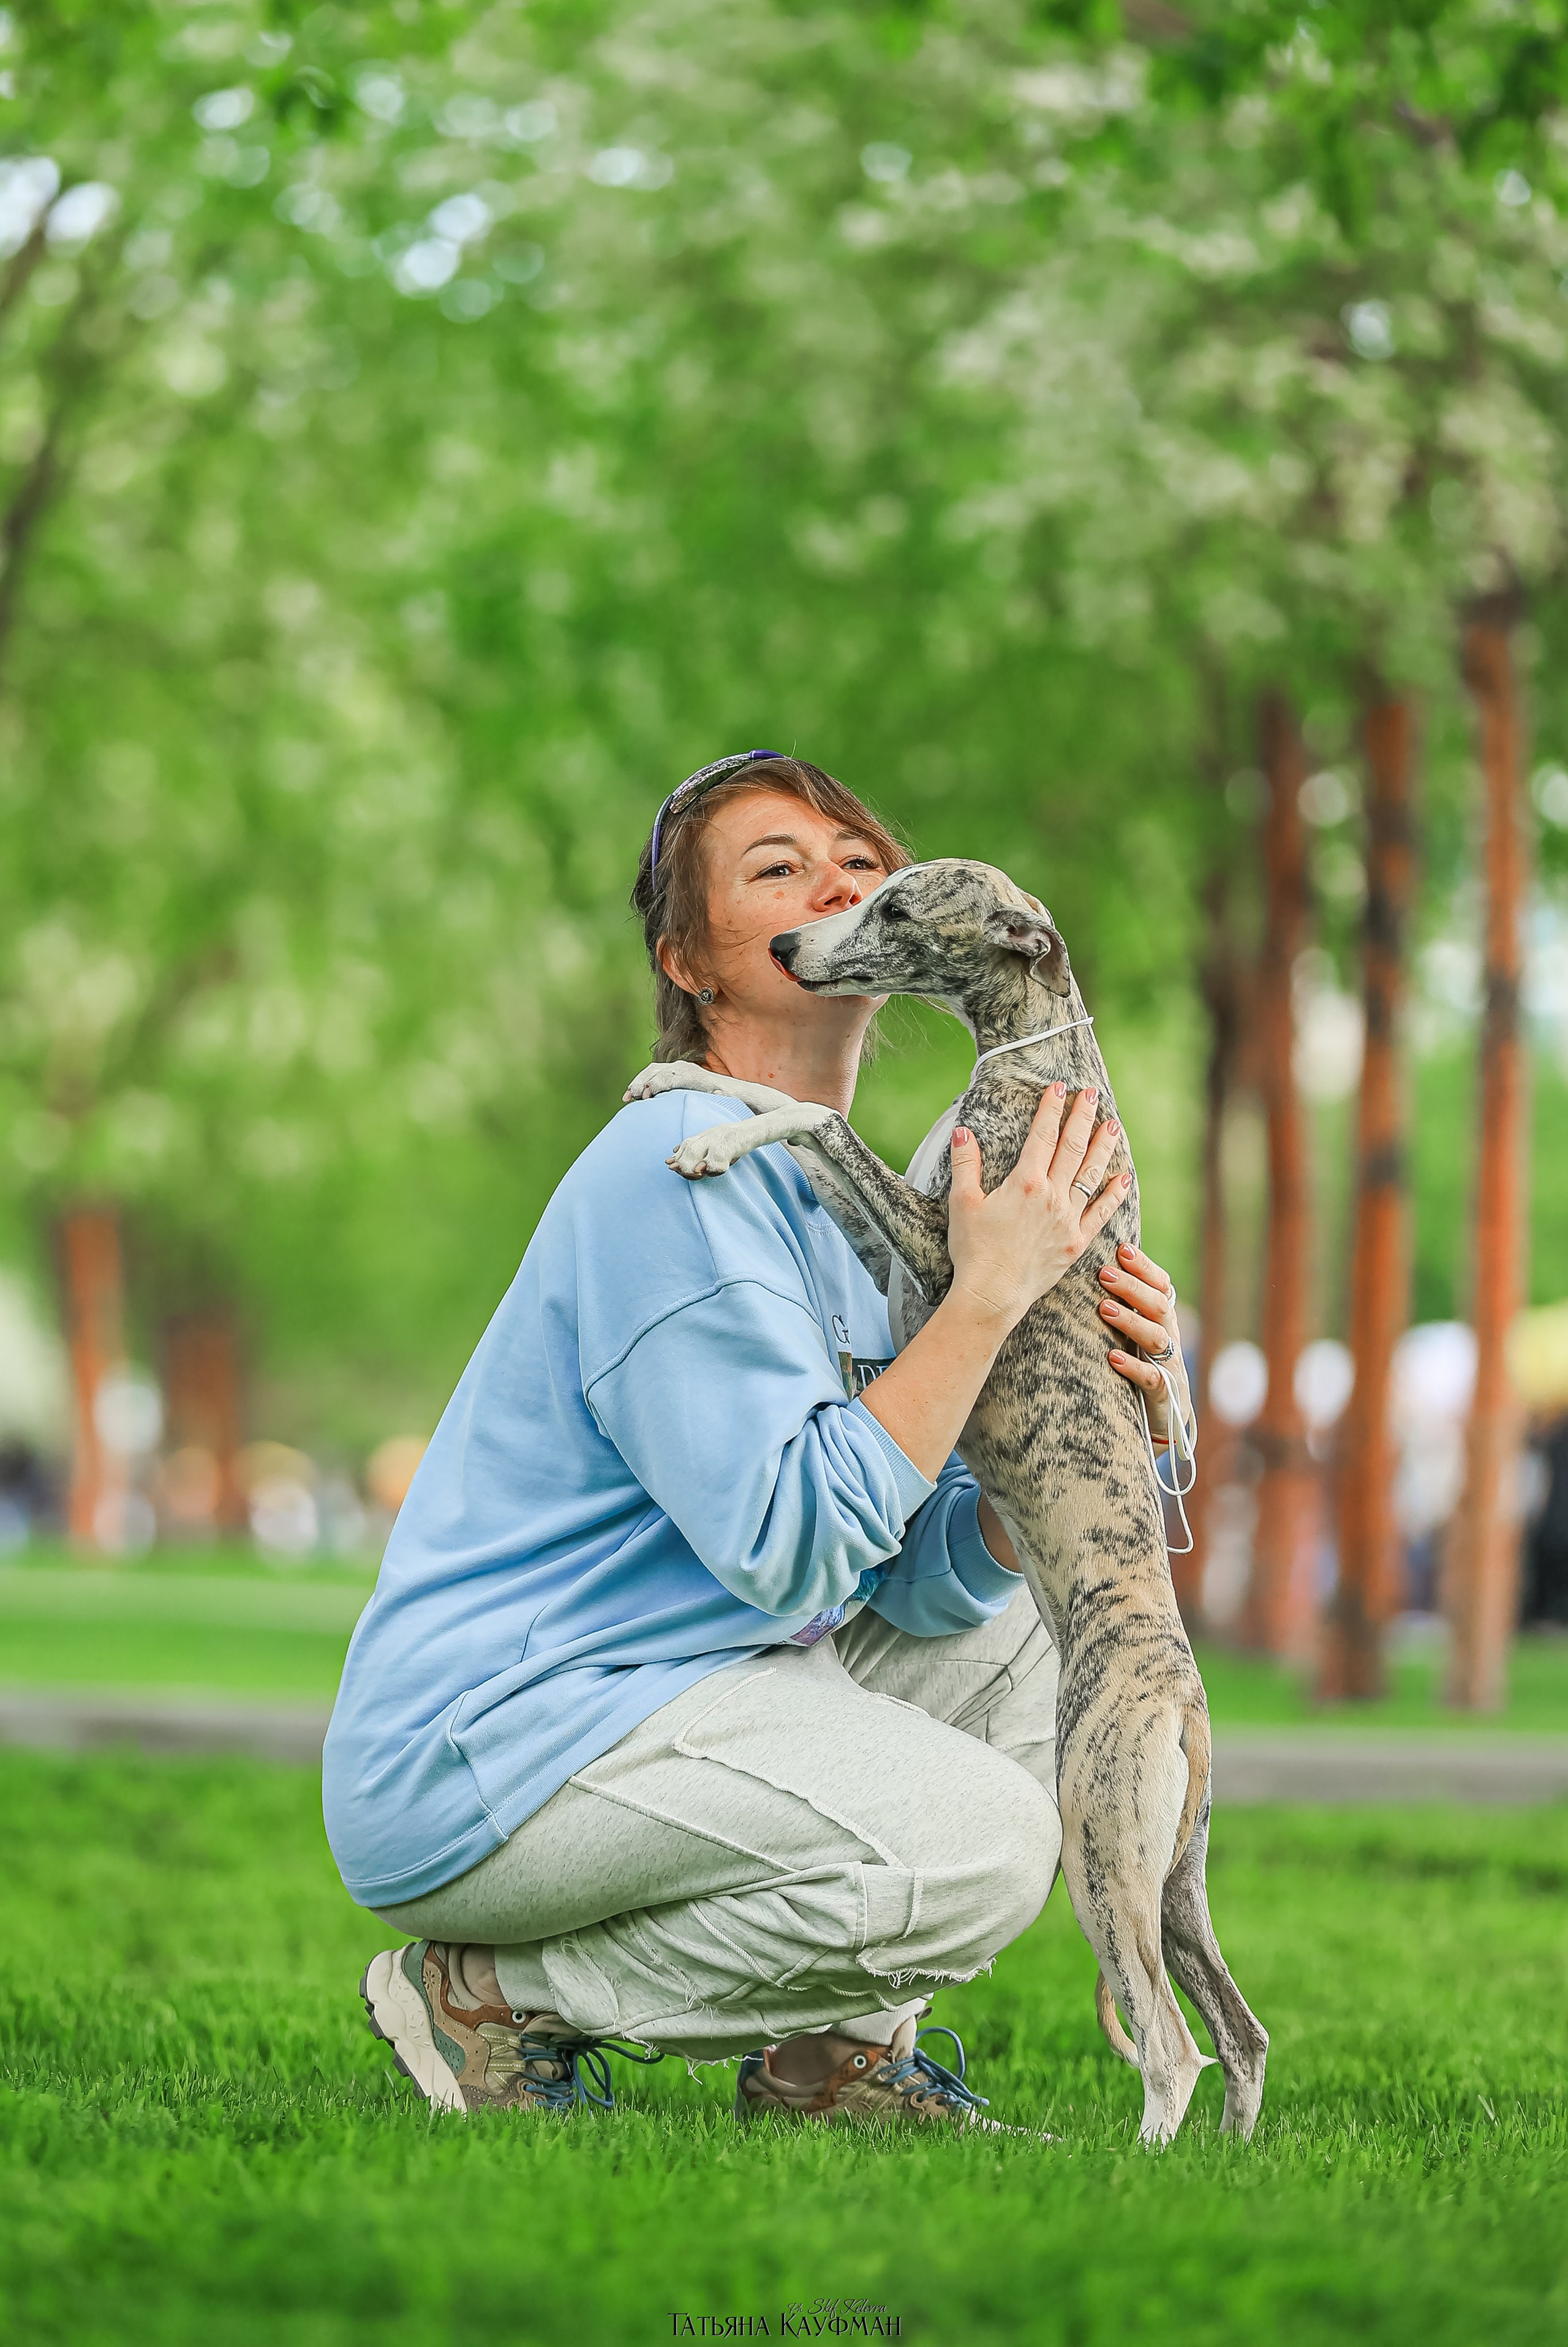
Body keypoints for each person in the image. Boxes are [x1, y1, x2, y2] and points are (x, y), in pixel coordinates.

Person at [326, 753, 1190, 2128]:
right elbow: (792, 1553)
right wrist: (983, 1299)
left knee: (1060, 1618)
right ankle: (493, 1994)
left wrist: (1068, 1446)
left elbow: (899, 1574)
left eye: (859, 861)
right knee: (978, 1851)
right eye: (777, 867)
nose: (836, 882)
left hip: (684, 1679)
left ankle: (824, 2068)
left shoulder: (834, 1182)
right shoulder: (677, 1169)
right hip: (497, 1746)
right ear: (691, 959)